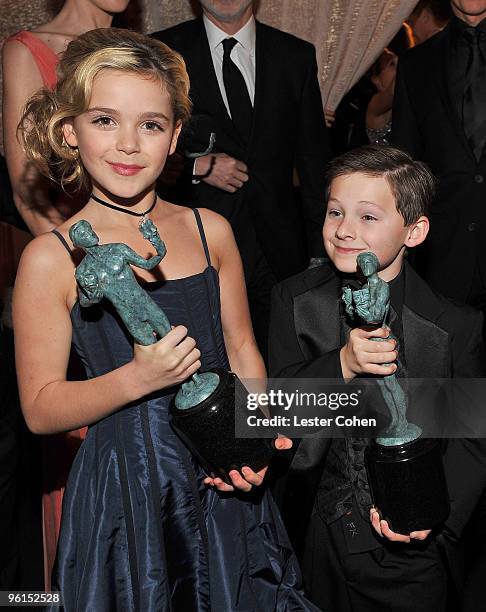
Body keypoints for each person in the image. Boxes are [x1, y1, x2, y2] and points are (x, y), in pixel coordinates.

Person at [13, 28, 319, 610]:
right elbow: (39, 407)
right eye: (105, 120)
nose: (128, 144)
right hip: (126, 493)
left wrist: (250, 441)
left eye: (150, 124)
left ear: (176, 136)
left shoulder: (211, 232)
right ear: (68, 130)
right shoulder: (49, 258)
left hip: (221, 483)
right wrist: (136, 378)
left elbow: (244, 352)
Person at [268, 145, 486, 611]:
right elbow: (275, 410)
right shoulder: (295, 301)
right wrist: (340, 365)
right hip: (314, 537)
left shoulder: (452, 326)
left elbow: (471, 443)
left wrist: (437, 518)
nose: (344, 230)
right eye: (334, 212)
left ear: (415, 230)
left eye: (368, 217)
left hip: (412, 555)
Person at [152, 0, 330, 361]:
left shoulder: (294, 55)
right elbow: (142, 146)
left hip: (280, 253)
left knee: (282, 368)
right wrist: (195, 167)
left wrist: (320, 253)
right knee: (202, 367)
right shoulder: (161, 53)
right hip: (195, 249)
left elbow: (314, 162)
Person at [2, 0, 130, 236]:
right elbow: (29, 197)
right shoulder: (27, 50)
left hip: (143, 233)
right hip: (76, 236)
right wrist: (76, 259)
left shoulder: (139, 49)